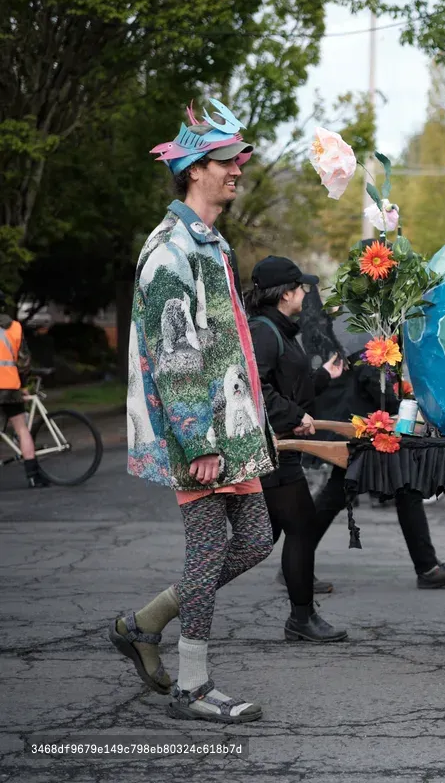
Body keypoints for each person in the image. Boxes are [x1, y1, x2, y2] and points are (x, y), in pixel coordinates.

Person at [111, 99, 274, 723]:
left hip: (229, 430)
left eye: (237, 161)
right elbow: (176, 355)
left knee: (256, 538)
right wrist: (197, 438)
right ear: (195, 170)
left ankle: (143, 623)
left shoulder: (210, 244)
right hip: (199, 436)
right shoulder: (170, 250)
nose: (236, 171)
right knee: (207, 554)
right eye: (226, 162)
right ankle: (193, 686)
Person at [306, 339, 445, 589]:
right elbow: (374, 384)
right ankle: (295, 564)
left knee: (406, 490)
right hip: (363, 431)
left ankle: (427, 567)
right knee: (337, 495)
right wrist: (405, 404)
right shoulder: (368, 346)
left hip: (375, 430)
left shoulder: (379, 343)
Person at [246, 255, 351, 642]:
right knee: (302, 527)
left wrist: (323, 376)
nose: (306, 293)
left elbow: (290, 384)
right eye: (302, 287)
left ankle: (189, 594)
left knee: (258, 542)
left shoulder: (280, 330)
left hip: (282, 447)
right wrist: (293, 415)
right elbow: (255, 389)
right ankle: (301, 619)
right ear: (285, 292)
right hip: (272, 449)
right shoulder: (263, 331)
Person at [0, 291, 49, 488]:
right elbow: (24, 362)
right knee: (21, 429)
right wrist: (21, 385)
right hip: (11, 387)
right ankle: (33, 476)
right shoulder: (15, 328)